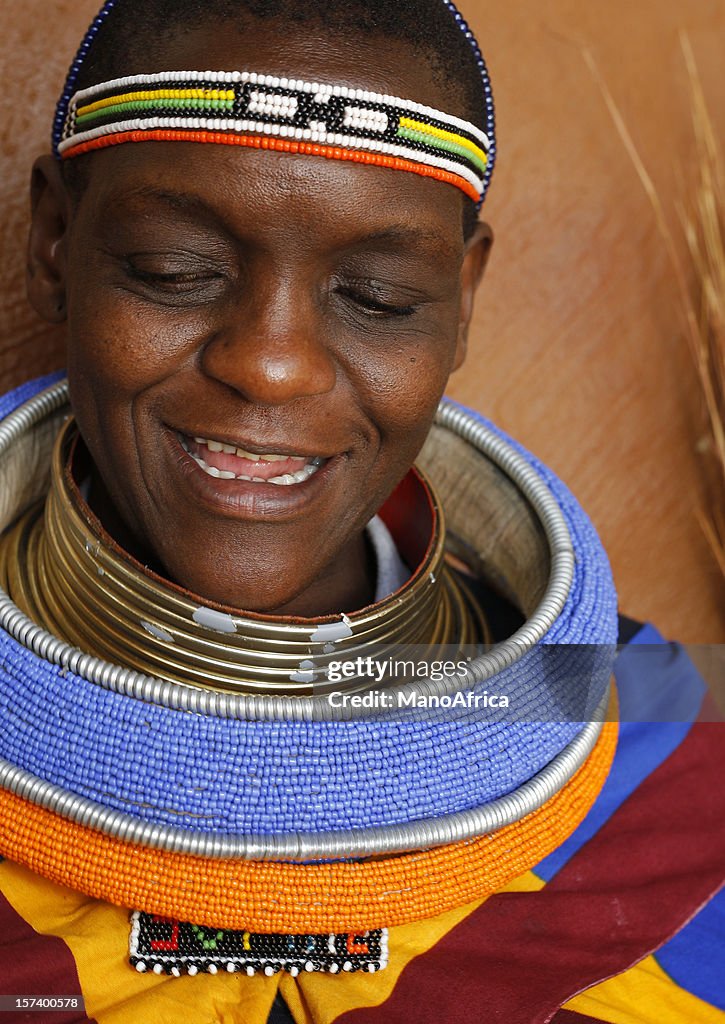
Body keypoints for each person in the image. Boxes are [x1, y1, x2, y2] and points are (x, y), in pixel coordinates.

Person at [0, 1, 723, 1022]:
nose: (271, 363)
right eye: (174, 269)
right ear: (52, 242)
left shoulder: (657, 754)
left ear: (460, 302)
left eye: (377, 297)